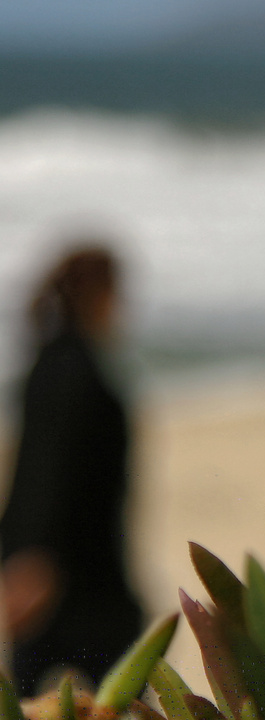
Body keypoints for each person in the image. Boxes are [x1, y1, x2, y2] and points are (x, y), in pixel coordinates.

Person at [1, 247, 142, 695]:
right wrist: (33, 559)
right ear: (98, 295)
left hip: (79, 564)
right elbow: (44, 469)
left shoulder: (57, 360)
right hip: (73, 575)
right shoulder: (70, 369)